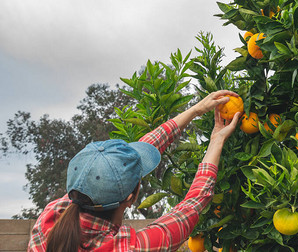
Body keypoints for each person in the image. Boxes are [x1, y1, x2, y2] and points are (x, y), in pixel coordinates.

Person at [28, 90, 241, 252]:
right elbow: (193, 204)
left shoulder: (51, 217)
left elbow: (139, 151)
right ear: (132, 197)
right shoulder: (131, 247)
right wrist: (216, 140)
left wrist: (197, 109)